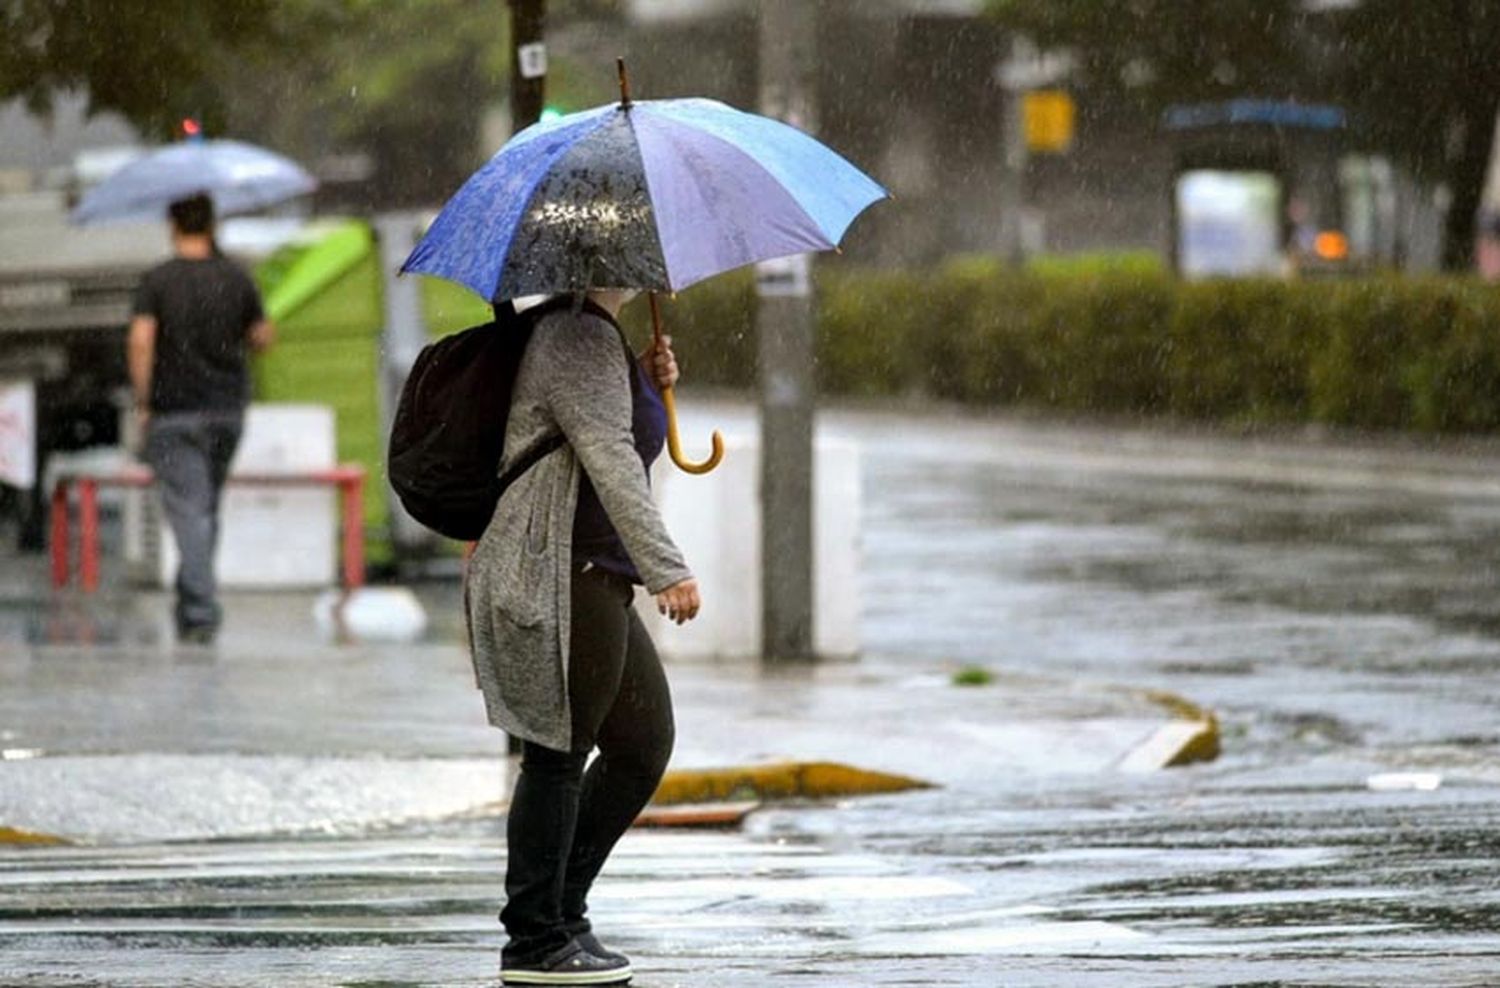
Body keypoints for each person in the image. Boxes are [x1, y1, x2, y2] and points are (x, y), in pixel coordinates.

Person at [466, 289, 701, 986]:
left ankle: (563, 909)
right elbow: (608, 455)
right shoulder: (576, 335)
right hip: (561, 568)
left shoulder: (596, 339)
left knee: (641, 742)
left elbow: (598, 425)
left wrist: (642, 376)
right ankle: (534, 937)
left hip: (595, 573)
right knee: (557, 753)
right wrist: (668, 567)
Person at [127, 193, 274, 644]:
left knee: (191, 510)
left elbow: (140, 340)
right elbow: (264, 337)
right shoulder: (236, 277)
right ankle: (192, 600)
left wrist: (143, 399)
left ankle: (199, 610)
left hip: (175, 411)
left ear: (174, 225)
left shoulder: (157, 280)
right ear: (212, 225)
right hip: (227, 410)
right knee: (205, 506)